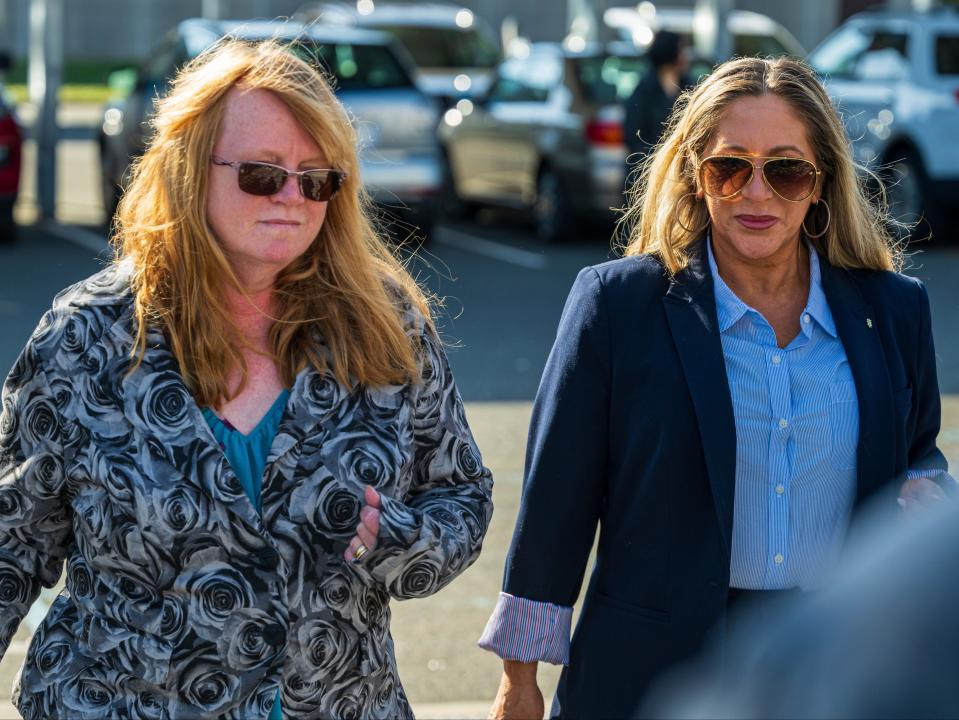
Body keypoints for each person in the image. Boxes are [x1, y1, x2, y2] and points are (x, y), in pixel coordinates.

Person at [0, 38, 493, 719]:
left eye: (317, 179)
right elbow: (12, 542)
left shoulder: (385, 324)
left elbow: (461, 496)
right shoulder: (88, 336)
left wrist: (400, 541)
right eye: (262, 174)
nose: (292, 197)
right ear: (188, 169)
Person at [478, 55, 952, 719]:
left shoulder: (893, 309)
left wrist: (927, 491)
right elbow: (556, 499)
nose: (755, 193)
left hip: (830, 671)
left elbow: (916, 451)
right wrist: (517, 680)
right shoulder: (618, 307)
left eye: (785, 170)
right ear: (695, 177)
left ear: (819, 183)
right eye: (729, 168)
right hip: (648, 675)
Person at [623, 30, 689, 171]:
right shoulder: (644, 91)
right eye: (681, 51)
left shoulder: (689, 87)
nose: (685, 57)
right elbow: (633, 135)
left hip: (681, 171)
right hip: (649, 171)